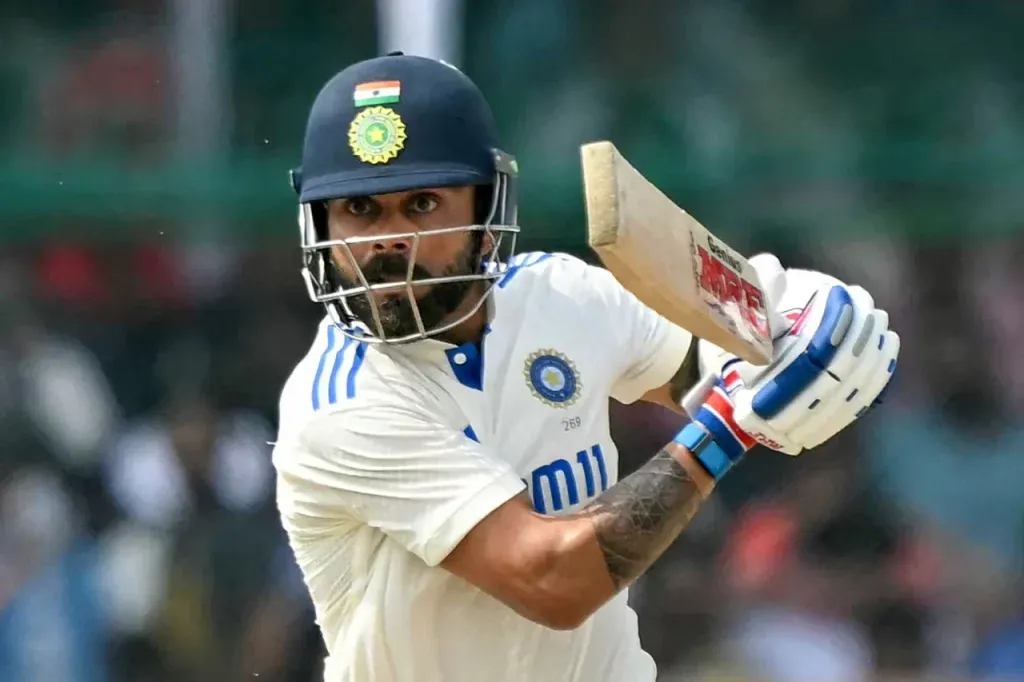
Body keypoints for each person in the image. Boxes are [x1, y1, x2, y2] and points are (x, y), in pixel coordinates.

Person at [271, 52, 900, 682]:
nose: (388, 240)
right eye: (360, 210)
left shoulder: (561, 294)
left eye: (422, 204)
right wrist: (727, 428)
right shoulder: (341, 406)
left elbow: (709, 376)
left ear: (486, 212)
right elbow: (553, 581)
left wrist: (784, 337)